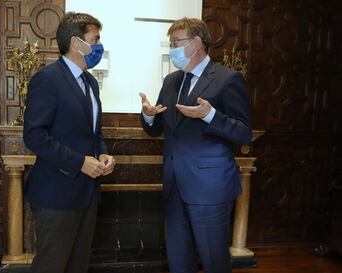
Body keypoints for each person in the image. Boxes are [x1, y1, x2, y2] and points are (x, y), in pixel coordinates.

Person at [139, 17, 251, 273]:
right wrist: (148, 114)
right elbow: (158, 129)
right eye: (171, 43)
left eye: (176, 42)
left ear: (197, 43)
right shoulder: (171, 81)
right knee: (178, 261)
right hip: (174, 185)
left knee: (213, 261)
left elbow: (243, 133)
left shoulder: (227, 79)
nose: (172, 49)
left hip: (209, 188)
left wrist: (210, 115)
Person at [23, 12, 115, 273]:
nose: (99, 45)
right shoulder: (47, 79)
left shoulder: (90, 83)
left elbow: (93, 132)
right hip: (56, 194)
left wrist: (104, 154)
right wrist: (79, 163)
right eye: (95, 39)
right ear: (76, 43)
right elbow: (34, 135)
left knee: (78, 265)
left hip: (87, 193)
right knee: (51, 266)